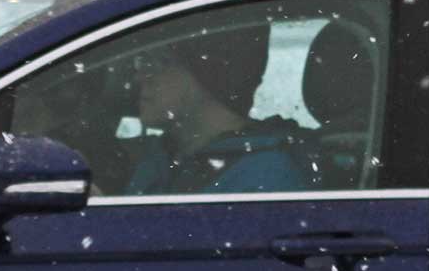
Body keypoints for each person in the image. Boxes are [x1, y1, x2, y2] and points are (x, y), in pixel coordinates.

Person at [123, 24, 310, 195]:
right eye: (142, 62)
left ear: (206, 74)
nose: (139, 78)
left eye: (157, 63)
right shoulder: (164, 158)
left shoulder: (264, 179)